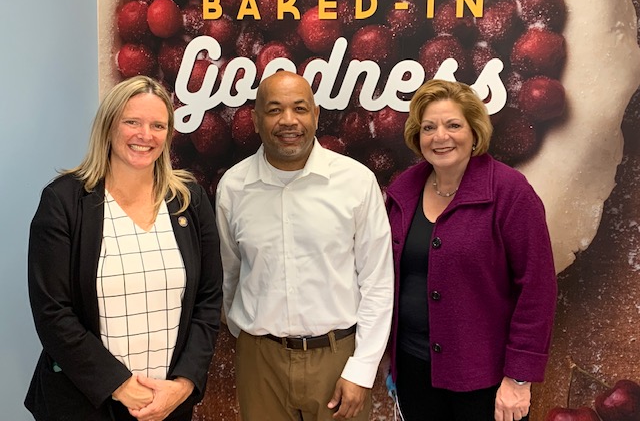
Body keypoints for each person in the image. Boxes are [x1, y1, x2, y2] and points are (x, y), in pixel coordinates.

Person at [25, 75, 223, 421]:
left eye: (157, 125)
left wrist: (184, 383)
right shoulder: (64, 202)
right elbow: (53, 312)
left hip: (168, 405)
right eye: (132, 122)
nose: (145, 135)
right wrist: (118, 385)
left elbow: (208, 301)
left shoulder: (188, 201)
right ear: (109, 126)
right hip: (85, 404)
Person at [216, 70, 394, 421]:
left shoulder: (356, 182)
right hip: (259, 362)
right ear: (254, 120)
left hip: (338, 359)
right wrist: (250, 339)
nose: (288, 120)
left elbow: (377, 282)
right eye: (274, 109)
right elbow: (229, 274)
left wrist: (361, 369)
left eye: (299, 108)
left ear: (315, 115)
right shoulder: (233, 187)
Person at [385, 79, 557, 421]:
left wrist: (519, 379)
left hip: (485, 380)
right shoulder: (403, 190)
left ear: (474, 131)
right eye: (429, 127)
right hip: (413, 370)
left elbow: (538, 288)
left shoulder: (510, 192)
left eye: (453, 125)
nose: (440, 137)